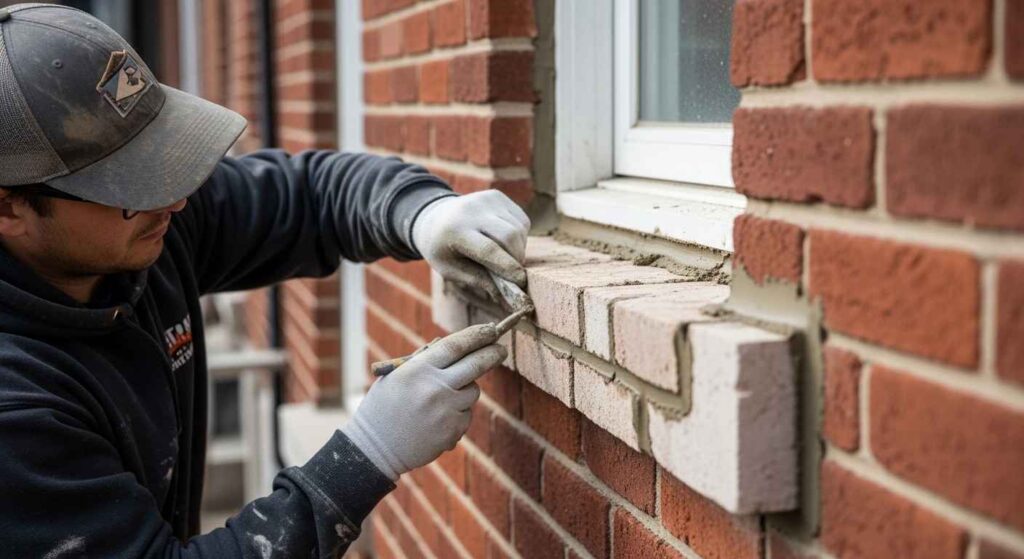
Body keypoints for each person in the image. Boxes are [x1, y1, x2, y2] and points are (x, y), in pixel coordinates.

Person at [0, 4, 529, 558]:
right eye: (128, 185)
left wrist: (422, 213)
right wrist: (365, 455)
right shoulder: (15, 411)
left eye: (157, 163)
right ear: (10, 208)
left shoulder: (137, 231)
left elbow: (309, 195)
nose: (174, 200)